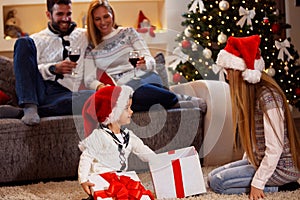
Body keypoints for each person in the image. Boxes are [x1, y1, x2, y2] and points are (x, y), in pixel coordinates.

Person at [207, 35, 300, 200]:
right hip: (259, 160)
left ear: (241, 72)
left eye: (229, 71)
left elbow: (275, 148)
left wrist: (258, 183)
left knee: (218, 184)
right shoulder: (251, 96)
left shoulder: (268, 97)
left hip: (281, 168)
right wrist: (247, 161)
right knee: (213, 176)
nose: (227, 76)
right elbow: (254, 140)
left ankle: (282, 188)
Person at [83, 0, 201, 111]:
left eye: (106, 16)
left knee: (134, 94)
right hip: (125, 86)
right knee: (125, 103)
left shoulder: (128, 33)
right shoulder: (92, 47)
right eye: (97, 19)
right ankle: (174, 100)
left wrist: (145, 64)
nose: (103, 22)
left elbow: (150, 59)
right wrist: (101, 86)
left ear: (112, 15)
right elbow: (89, 79)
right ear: (92, 21)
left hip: (146, 77)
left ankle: (173, 99)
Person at [1, 0, 94, 125]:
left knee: (94, 97)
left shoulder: (83, 35)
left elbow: (107, 31)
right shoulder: (36, 40)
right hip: (39, 90)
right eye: (60, 14)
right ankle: (29, 106)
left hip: (63, 95)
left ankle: (22, 112)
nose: (65, 19)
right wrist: (52, 68)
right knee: (23, 42)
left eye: (69, 14)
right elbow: (27, 71)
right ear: (49, 15)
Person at [78, 85, 156, 197]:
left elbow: (143, 150)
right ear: (112, 113)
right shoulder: (99, 136)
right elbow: (86, 157)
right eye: (127, 108)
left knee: (140, 195)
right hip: (101, 177)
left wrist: (159, 160)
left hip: (121, 177)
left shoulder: (129, 136)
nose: (131, 111)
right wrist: (84, 179)